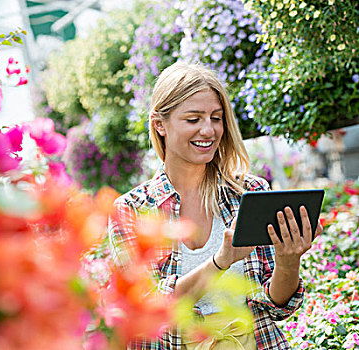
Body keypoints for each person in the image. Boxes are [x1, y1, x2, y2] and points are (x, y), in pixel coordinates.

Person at [108, 62, 323, 350]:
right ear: (160, 124)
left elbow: (278, 306)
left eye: (216, 118)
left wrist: (288, 259)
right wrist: (220, 261)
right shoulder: (132, 210)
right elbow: (148, 309)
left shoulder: (250, 193)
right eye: (193, 119)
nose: (208, 130)